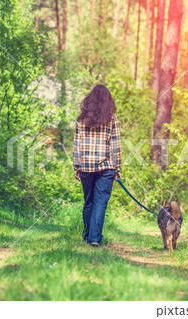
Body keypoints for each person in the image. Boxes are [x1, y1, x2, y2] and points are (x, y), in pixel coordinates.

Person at [73, 84, 122, 247]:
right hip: (106, 167)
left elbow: (77, 144)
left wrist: (76, 166)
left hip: (85, 167)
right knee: (100, 202)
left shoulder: (81, 119)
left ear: (90, 100)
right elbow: (115, 145)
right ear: (108, 101)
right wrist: (118, 168)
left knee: (89, 202)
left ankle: (87, 235)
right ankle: (94, 239)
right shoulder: (112, 119)